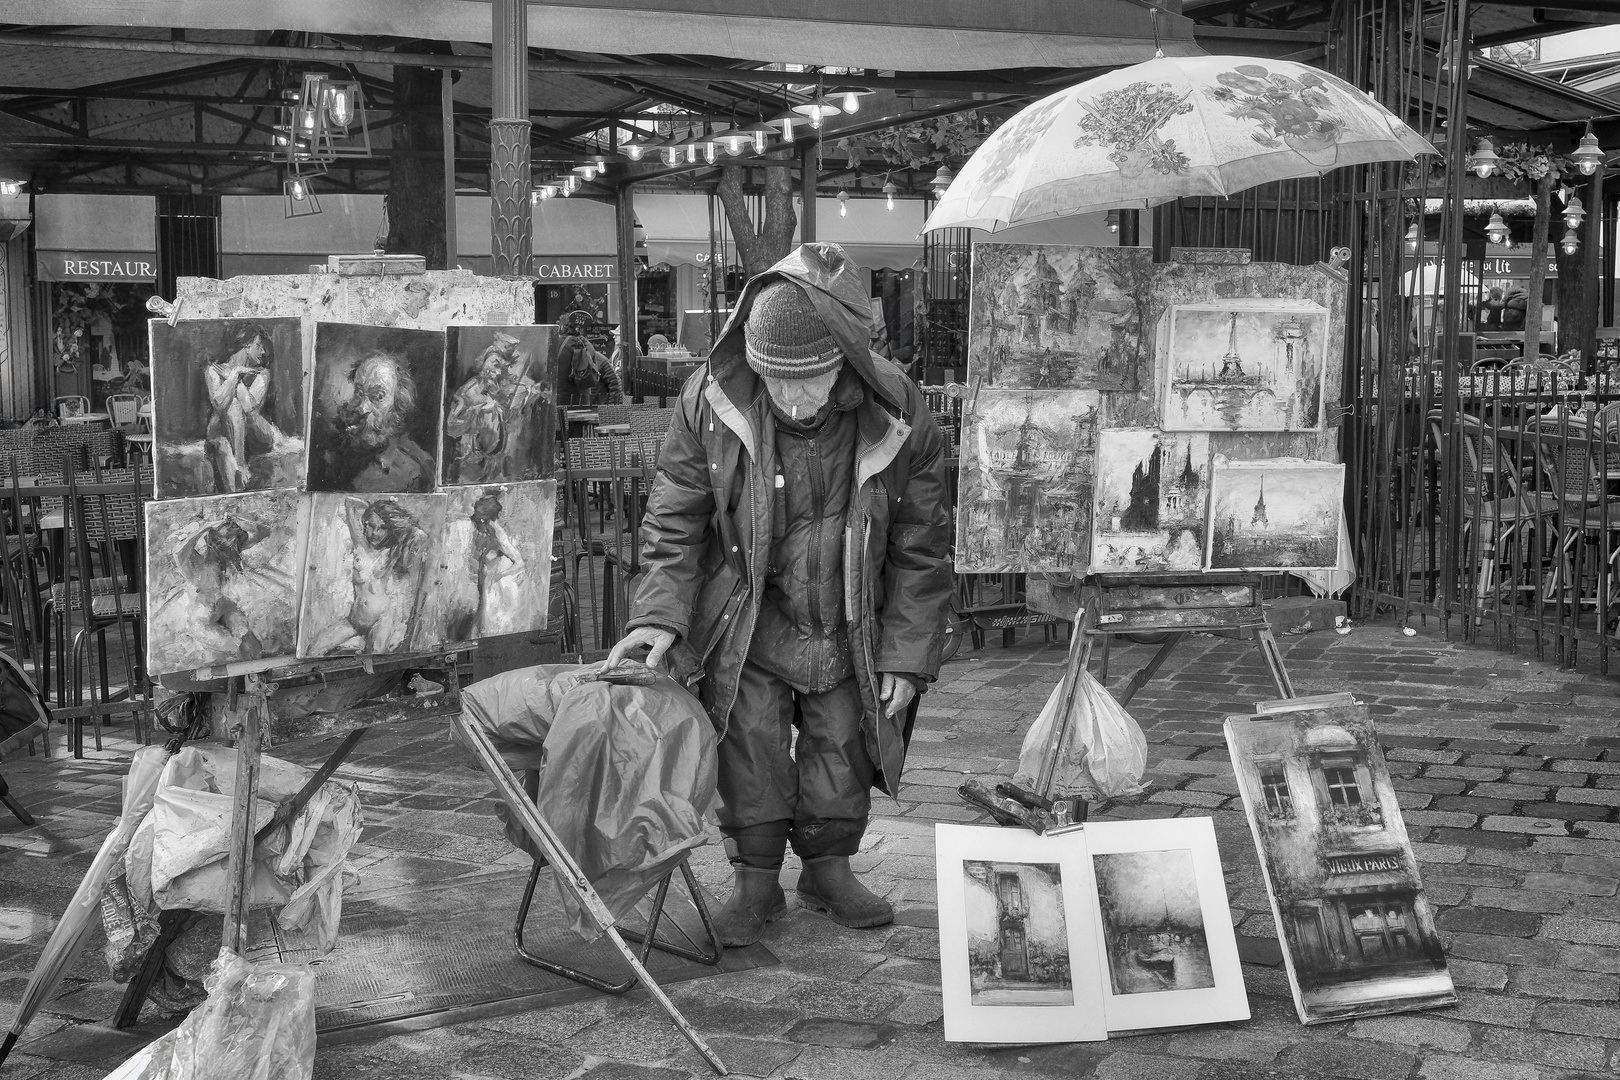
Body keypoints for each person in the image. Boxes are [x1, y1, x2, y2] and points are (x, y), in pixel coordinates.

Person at [606, 243, 953, 947]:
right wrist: (659, 616)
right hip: (749, 617)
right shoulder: (710, 398)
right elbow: (675, 518)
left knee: (842, 744)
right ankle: (756, 881)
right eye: (776, 381)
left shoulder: (898, 408)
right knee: (751, 744)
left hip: (850, 617)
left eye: (811, 381)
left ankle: (827, 869)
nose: (793, 398)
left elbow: (922, 544)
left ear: (844, 363)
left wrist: (907, 654)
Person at [308, 496, 430, 655]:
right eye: (371, 526)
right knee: (315, 649)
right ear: (365, 524)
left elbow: (421, 536)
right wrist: (373, 508)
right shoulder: (360, 545)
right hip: (355, 621)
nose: (375, 533)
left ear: (390, 529)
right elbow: (349, 502)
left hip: (380, 622)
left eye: (382, 527)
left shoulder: (393, 553)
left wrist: (393, 516)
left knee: (375, 657)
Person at [328, 352, 436, 492]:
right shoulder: (333, 451)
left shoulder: (415, 470)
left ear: (398, 404)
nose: (362, 408)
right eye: (360, 393)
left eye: (378, 396)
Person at [205, 323, 288, 492]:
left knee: (235, 405)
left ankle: (241, 464)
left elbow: (249, 407)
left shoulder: (262, 374)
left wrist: (236, 380)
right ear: (246, 345)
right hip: (229, 430)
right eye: (258, 345)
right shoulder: (214, 370)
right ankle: (235, 489)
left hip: (259, 432)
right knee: (223, 445)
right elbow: (219, 404)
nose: (262, 351)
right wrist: (234, 375)